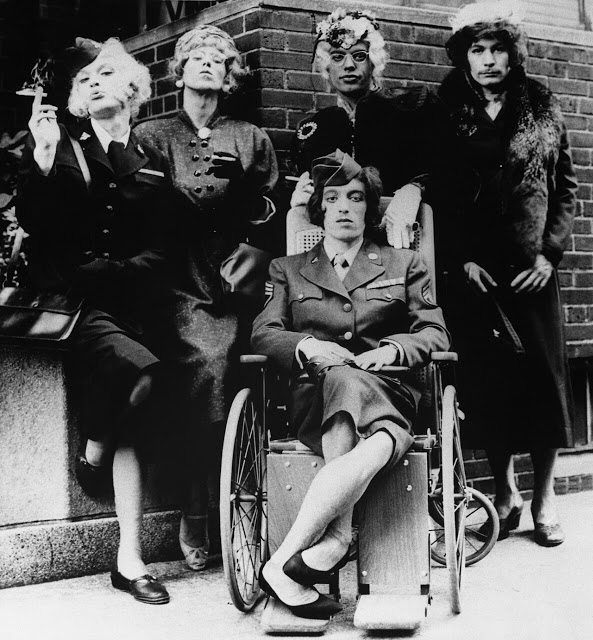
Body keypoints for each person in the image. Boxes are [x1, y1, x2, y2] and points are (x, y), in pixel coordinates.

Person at [251, 150, 450, 619]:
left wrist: (393, 349)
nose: (344, 206)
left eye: (356, 198)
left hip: (390, 389)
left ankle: (298, 555)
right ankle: (335, 539)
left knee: (372, 416)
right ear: (319, 209)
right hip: (315, 399)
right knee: (365, 410)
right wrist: (307, 346)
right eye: (333, 198)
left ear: (369, 209)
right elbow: (264, 332)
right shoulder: (287, 268)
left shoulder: (404, 263)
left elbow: (434, 332)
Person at [17, 38, 174, 603]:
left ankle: (129, 560)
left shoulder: (151, 159)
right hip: (73, 302)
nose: (92, 83)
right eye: (83, 81)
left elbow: (164, 246)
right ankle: (94, 454)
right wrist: (41, 160)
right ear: (76, 100)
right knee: (142, 371)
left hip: (131, 299)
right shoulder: (61, 145)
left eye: (105, 74)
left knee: (139, 410)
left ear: (131, 88)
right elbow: (35, 223)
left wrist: (123, 270)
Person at [134, 25, 278, 571]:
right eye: (196, 56)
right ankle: (196, 505)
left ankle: (240, 502)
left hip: (236, 280)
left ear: (229, 75)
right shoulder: (152, 134)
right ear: (179, 72)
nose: (207, 63)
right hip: (176, 278)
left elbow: (270, 214)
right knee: (207, 365)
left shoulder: (249, 136)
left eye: (218, 58)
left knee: (249, 371)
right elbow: (139, 210)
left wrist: (245, 205)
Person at [438, 1, 577, 547]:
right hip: (479, 273)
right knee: (491, 381)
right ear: (465, 57)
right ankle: (505, 494)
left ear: (512, 54)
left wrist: (548, 255)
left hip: (531, 270)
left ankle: (544, 497)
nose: (489, 59)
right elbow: (442, 192)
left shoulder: (541, 104)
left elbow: (565, 188)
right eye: (478, 50)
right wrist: (460, 259)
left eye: (498, 49)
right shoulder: (448, 109)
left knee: (543, 379)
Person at [290, 8, 453, 250]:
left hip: (403, 243)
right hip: (336, 247)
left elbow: (449, 171)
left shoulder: (411, 108)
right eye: (337, 57)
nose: (348, 65)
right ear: (327, 67)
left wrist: (415, 189)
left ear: (373, 61)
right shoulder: (314, 127)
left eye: (359, 56)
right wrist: (300, 195)